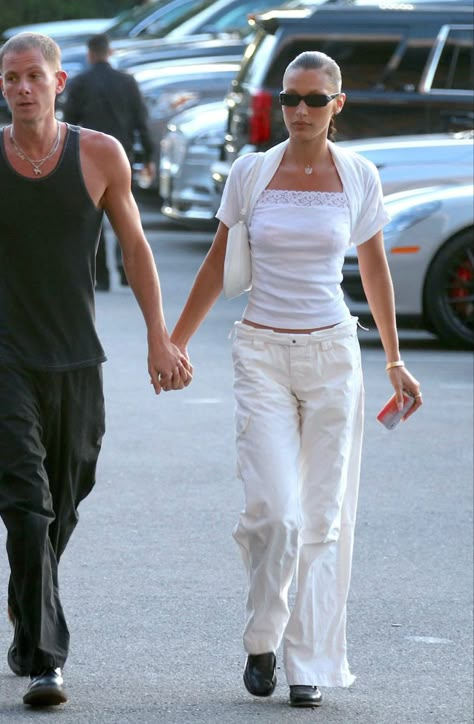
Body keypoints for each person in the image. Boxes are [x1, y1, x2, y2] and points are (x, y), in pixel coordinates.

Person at [170, 50, 422, 708]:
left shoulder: (359, 175)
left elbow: (374, 271)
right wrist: (175, 340)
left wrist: (394, 357)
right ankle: (263, 635)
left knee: (321, 519)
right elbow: (218, 264)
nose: (301, 111)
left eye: (315, 99)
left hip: (333, 354)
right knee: (273, 513)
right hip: (260, 352)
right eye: (290, 99)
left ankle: (307, 661)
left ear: (339, 105)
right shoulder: (251, 173)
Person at [0, 32, 192, 708]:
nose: (21, 88)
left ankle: (27, 610)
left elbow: (136, 249)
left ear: (59, 84)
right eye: (10, 78)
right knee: (27, 506)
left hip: (76, 359)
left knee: (65, 500)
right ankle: (47, 662)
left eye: (33, 76)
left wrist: (159, 339)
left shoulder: (98, 154)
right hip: (6, 362)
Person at [62, 32, 156, 291]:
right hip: (121, 157)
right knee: (126, 217)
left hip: (89, 157)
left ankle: (100, 275)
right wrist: (149, 157)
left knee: (94, 218)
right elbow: (141, 121)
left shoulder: (81, 83)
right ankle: (127, 272)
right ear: (109, 52)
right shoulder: (127, 82)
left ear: (90, 54)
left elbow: (69, 121)